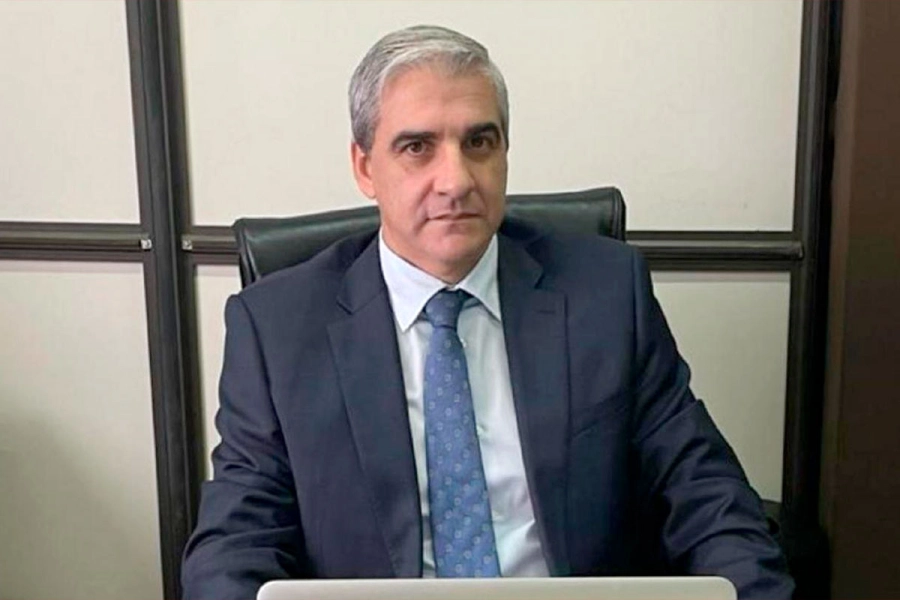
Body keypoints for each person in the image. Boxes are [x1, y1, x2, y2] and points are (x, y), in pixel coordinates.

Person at [182, 25, 794, 600]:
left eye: (479, 142)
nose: (456, 180)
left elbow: (707, 495)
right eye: (417, 147)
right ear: (365, 167)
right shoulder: (278, 330)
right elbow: (234, 546)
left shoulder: (606, 296)